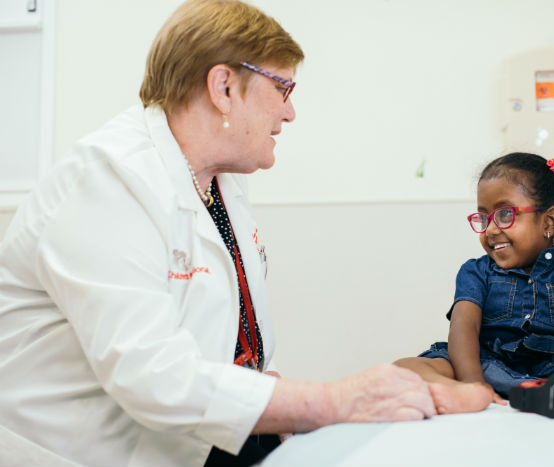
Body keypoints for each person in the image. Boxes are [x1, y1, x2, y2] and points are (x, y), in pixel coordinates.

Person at [0, 1, 455, 466]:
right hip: (88, 452)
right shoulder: (106, 181)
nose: (291, 110)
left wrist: (282, 405)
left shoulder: (220, 184)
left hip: (193, 439)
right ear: (223, 86)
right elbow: (154, 379)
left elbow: (230, 343)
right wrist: (335, 401)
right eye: (283, 87)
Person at [395, 152, 554, 418]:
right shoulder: (476, 271)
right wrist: (473, 382)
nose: (491, 230)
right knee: (404, 368)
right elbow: (463, 328)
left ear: (549, 221)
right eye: (483, 218)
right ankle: (463, 392)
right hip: (487, 363)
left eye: (505, 215)